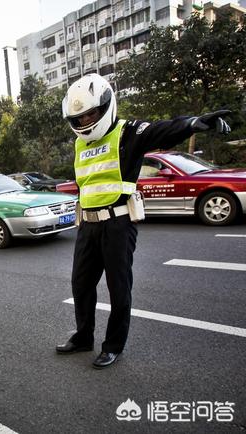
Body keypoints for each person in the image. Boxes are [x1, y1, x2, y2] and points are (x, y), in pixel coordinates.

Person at [56, 73, 231, 369]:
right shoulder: (79, 146)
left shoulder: (128, 133)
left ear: (106, 106)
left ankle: (113, 346)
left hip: (118, 224)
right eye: (79, 117)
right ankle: (83, 337)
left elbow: (164, 129)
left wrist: (195, 122)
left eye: (91, 114)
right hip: (87, 224)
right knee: (80, 285)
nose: (85, 122)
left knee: (118, 287)